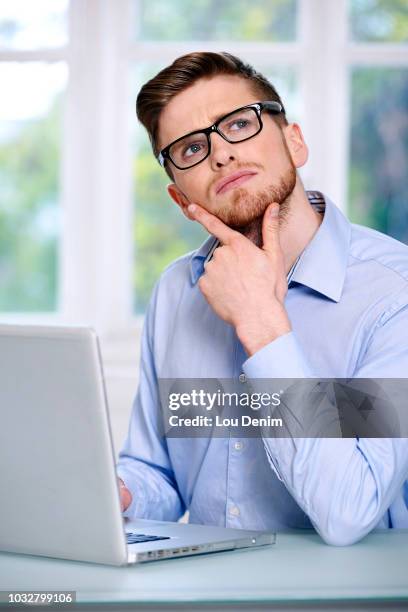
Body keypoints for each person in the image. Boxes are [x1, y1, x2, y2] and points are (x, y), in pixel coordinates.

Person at [117, 52, 408, 546]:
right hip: (205, 594)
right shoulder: (174, 293)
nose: (220, 154)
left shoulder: (392, 295)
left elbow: (349, 510)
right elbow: (158, 476)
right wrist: (117, 493)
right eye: (190, 150)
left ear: (294, 141)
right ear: (180, 198)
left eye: (238, 124)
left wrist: (264, 327)